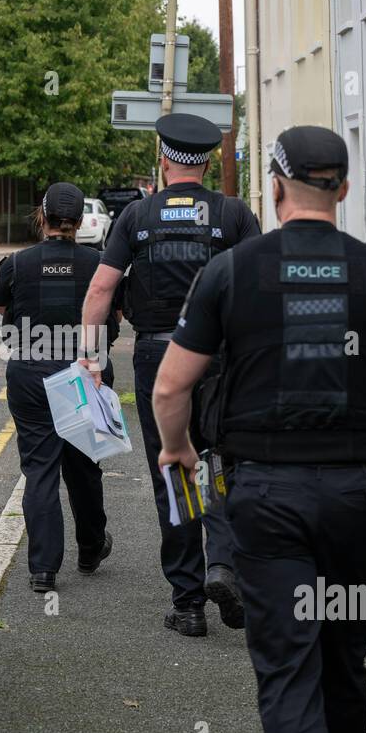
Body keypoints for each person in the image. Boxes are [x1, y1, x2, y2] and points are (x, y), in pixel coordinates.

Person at [152, 125, 366, 733]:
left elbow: (172, 384)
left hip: (265, 502)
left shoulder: (229, 272)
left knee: (289, 670)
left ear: (276, 185)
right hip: (353, 499)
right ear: (344, 188)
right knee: (345, 663)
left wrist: (176, 450)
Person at [80, 113, 262, 637]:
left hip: (159, 358)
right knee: (222, 461)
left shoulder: (137, 217)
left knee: (176, 470)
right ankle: (224, 564)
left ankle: (188, 605)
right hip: (222, 361)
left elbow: (99, 292)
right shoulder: (232, 215)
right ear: (205, 163)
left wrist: (93, 360)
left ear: (163, 160)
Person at [0, 182, 113, 593]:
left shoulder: (16, 262)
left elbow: (1, 306)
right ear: (79, 222)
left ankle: (43, 569)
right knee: (83, 466)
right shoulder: (98, 263)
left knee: (40, 468)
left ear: (42, 216)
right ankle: (91, 547)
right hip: (84, 370)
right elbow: (111, 319)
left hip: (30, 371)